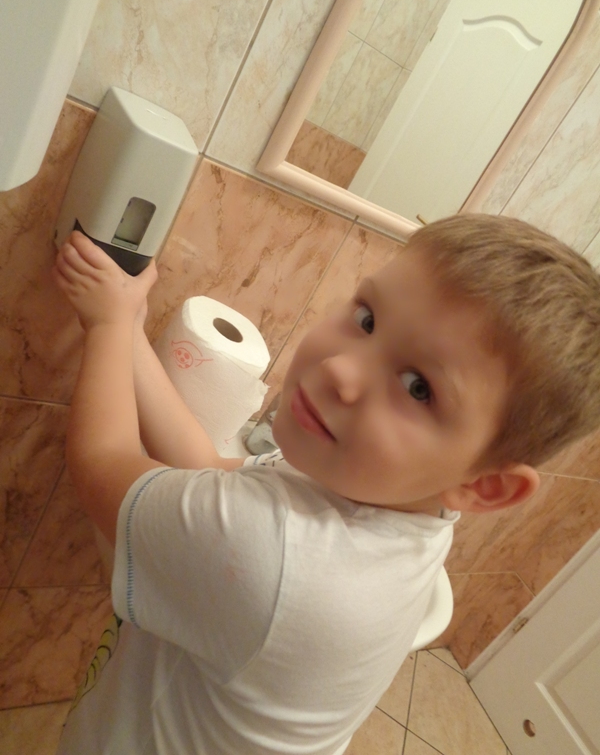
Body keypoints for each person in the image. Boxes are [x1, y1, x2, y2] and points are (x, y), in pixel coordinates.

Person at [53, 214, 600, 755]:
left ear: (485, 487)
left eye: (418, 387)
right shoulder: (394, 500)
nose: (342, 369)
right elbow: (208, 467)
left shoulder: (278, 551)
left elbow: (102, 462)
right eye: (367, 319)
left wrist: (106, 327)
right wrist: (128, 327)